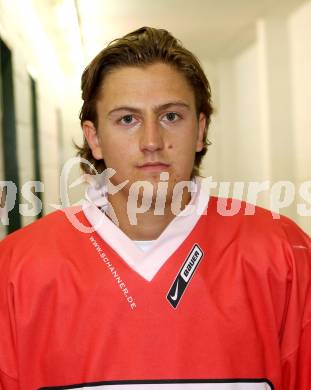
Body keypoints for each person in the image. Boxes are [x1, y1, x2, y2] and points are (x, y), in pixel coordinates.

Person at [0, 26, 310, 390]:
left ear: (199, 130)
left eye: (171, 116)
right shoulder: (17, 269)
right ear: (94, 138)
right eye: (127, 119)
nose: (151, 141)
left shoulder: (282, 254)